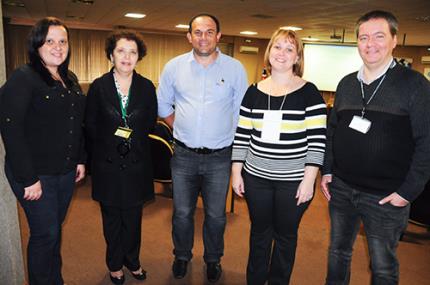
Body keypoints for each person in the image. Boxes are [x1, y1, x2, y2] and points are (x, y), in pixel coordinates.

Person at [321, 10, 430, 285]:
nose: (370, 44)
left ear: (394, 39)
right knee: (338, 253)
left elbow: (427, 142)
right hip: (343, 189)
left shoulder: (414, 84)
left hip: (386, 196)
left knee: (383, 267)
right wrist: (327, 170)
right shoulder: (346, 84)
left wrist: (408, 192)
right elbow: (332, 131)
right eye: (364, 37)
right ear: (357, 42)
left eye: (379, 36)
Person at [231, 29, 327, 285]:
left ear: (297, 58)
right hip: (256, 178)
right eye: (277, 47)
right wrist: (236, 172)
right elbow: (242, 135)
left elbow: (318, 141)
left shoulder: (310, 93)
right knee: (259, 234)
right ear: (269, 51)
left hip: (293, 181)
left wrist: (309, 181)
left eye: (289, 49)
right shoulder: (253, 91)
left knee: (285, 236)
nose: (282, 53)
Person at [157, 13, 248, 283]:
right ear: (189, 36)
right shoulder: (174, 67)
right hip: (183, 156)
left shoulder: (235, 69)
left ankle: (213, 259)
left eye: (210, 32)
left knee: (216, 216)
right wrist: (180, 127)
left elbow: (241, 112)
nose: (204, 37)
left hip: (220, 158)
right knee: (182, 213)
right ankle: (182, 256)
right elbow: (163, 105)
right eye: (198, 32)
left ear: (218, 36)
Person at [0, 17, 85, 285]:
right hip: (36, 175)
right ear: (37, 45)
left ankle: (54, 280)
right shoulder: (24, 78)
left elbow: (76, 123)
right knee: (45, 234)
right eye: (50, 41)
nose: (57, 47)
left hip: (64, 172)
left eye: (62, 41)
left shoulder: (68, 79)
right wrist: (28, 178)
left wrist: (80, 159)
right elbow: (10, 129)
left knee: (53, 232)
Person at [85, 31, 157, 284]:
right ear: (111, 54)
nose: (127, 57)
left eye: (133, 52)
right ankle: (115, 263)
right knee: (112, 217)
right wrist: (113, 140)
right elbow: (90, 125)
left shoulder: (147, 87)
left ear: (139, 57)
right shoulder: (98, 86)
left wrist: (129, 138)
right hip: (108, 164)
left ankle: (132, 260)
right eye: (121, 51)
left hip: (137, 163)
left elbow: (149, 122)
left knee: (134, 218)